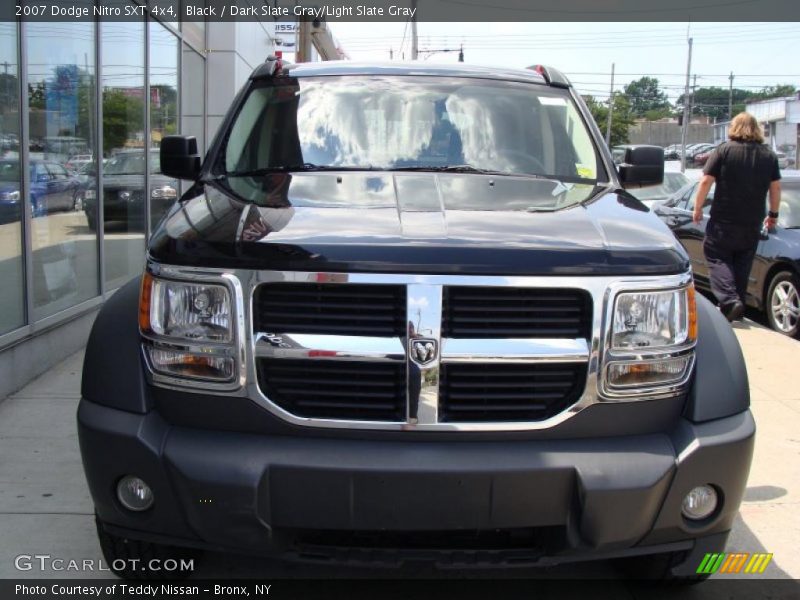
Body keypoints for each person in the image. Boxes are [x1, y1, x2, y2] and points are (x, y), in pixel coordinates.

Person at [692, 112, 782, 322]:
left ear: (734, 127)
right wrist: (773, 215)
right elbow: (775, 187)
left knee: (716, 255)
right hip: (752, 221)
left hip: (724, 218)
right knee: (743, 261)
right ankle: (736, 307)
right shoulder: (768, 155)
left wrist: (697, 207)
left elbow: (706, 181)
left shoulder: (724, 150)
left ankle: (730, 300)